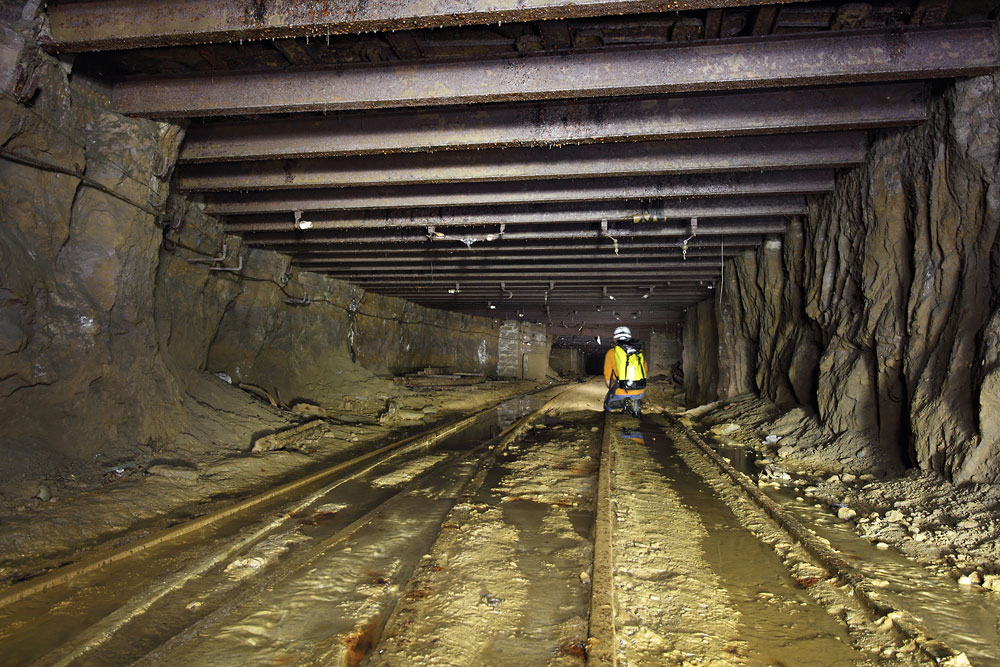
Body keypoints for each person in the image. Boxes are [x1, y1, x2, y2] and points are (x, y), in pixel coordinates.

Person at [603, 326, 648, 416]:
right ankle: (636, 405)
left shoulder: (612, 352)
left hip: (621, 392)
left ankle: (624, 403)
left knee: (607, 405)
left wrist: (612, 389)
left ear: (615, 339)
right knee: (635, 397)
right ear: (629, 337)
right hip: (639, 390)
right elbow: (645, 369)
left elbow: (607, 375)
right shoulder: (638, 351)